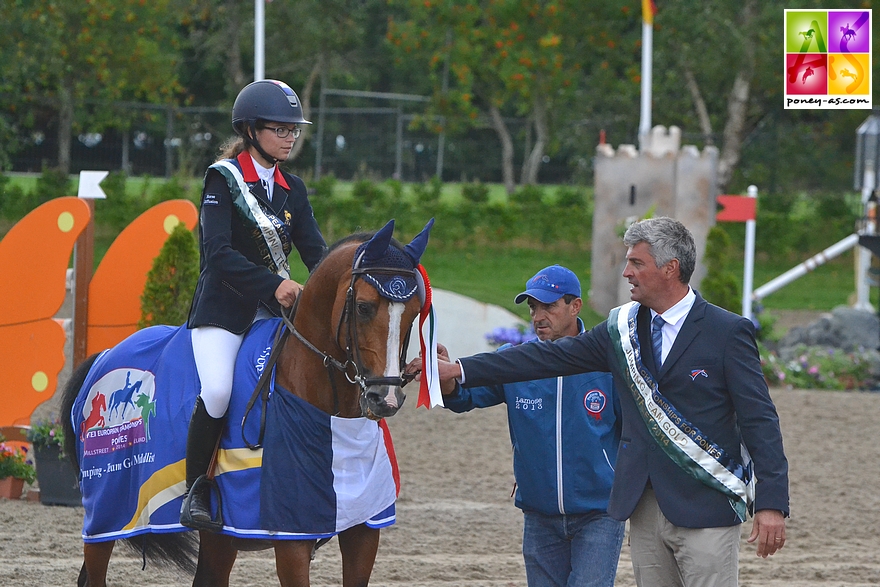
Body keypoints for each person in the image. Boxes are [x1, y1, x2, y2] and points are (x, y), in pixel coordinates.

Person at [423, 217, 789, 587]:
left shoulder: (727, 331)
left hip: (707, 504)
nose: (626, 272)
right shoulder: (621, 328)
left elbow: (759, 418)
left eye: (636, 263)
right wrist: (460, 369)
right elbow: (543, 358)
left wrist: (771, 503)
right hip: (644, 507)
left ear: (670, 268)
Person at [181, 79, 327, 530]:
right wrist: (274, 285)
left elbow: (316, 254)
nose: (289, 137)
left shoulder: (292, 189)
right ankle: (195, 492)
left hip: (274, 313)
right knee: (219, 390)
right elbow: (218, 254)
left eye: (293, 130)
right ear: (250, 130)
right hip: (224, 311)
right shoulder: (221, 179)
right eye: (279, 129)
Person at [442, 265, 624, 587]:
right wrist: (447, 377)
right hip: (539, 514)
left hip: (599, 514)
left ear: (575, 306)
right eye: (533, 307)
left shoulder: (608, 362)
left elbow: (631, 432)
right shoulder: (515, 361)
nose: (538, 315)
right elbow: (463, 398)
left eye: (549, 306)